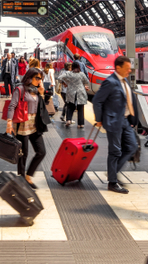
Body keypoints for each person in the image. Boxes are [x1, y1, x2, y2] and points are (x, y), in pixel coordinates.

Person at [94, 56, 139, 196]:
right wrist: (99, 119)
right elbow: (97, 101)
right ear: (118, 68)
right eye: (127, 68)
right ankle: (112, 183)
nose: (130, 70)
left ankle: (112, 171)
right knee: (115, 151)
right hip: (113, 121)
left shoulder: (123, 80)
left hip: (125, 120)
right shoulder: (110, 82)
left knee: (132, 146)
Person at [5, 67, 47, 188]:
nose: (39, 80)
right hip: (22, 124)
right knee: (23, 154)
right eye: (37, 78)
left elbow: (41, 107)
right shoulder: (20, 89)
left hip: (35, 125)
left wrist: (42, 93)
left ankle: (29, 175)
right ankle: (22, 180)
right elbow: (12, 106)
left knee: (41, 152)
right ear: (29, 77)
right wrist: (9, 123)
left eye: (41, 78)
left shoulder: (37, 90)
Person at [60, 62, 88, 127]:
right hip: (80, 92)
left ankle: (68, 120)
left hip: (71, 92)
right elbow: (87, 81)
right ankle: (80, 124)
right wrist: (82, 84)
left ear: (72, 67)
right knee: (80, 107)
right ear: (79, 67)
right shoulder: (81, 74)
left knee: (70, 106)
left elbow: (60, 78)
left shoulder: (69, 73)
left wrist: (65, 83)